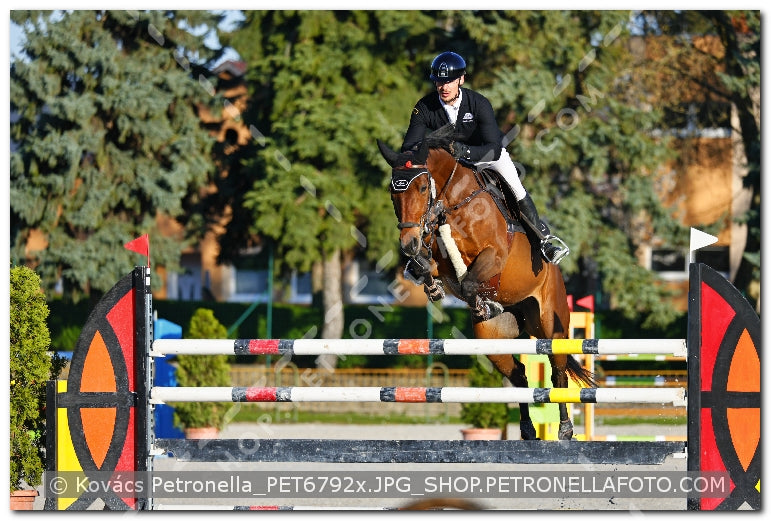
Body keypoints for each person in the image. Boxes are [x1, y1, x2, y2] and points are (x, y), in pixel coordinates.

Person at [401, 51, 569, 264]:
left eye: (449, 81)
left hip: (487, 155)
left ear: (461, 79)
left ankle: (544, 242)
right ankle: (420, 257)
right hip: (452, 163)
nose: (444, 87)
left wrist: (465, 152)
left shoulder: (479, 103)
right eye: (439, 82)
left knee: (515, 187)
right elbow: (410, 144)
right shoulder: (424, 107)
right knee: (423, 195)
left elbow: (495, 148)